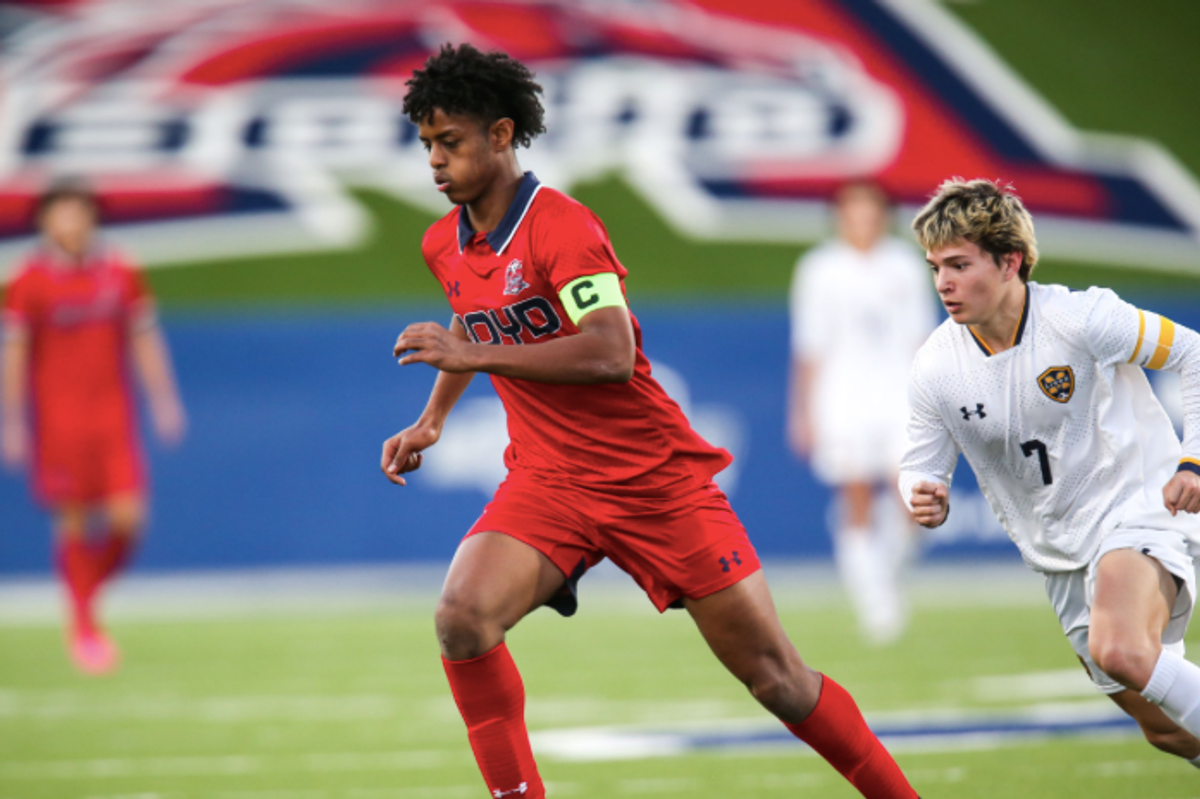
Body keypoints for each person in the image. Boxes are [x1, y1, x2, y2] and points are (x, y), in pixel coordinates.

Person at [381, 43, 918, 799]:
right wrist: (433, 416)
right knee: (462, 618)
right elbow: (471, 323)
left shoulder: (561, 227)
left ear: (501, 136)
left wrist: (470, 352)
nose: (435, 161)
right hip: (550, 482)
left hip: (653, 483)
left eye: (451, 142)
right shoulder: (446, 240)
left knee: (777, 680)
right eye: (428, 145)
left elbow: (609, 350)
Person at [900, 177, 1200, 763]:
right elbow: (920, 462)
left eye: (959, 265)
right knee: (1165, 730)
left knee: (1121, 648)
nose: (944, 283)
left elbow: (1194, 354)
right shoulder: (936, 365)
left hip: (1137, 508)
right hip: (1057, 552)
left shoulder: (1083, 318)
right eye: (936, 268)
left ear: (1010, 261)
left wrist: (1194, 459)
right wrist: (924, 492)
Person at [1, 180, 186, 674]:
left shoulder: (120, 271)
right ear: (44, 221)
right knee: (75, 522)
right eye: (61, 213)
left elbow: (145, 339)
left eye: (79, 212)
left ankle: (84, 597)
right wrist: (12, 421)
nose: (72, 223)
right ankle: (83, 627)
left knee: (130, 521)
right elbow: (14, 355)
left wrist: (164, 401)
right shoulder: (29, 280)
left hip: (113, 419)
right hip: (60, 424)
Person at [788, 181, 936, 645]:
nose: (861, 219)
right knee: (854, 499)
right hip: (842, 398)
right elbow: (809, 346)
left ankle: (886, 578)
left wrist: (933, 401)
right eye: (852, 211)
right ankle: (874, 603)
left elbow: (923, 338)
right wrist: (803, 410)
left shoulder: (906, 265)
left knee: (911, 497)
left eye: (869, 210)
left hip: (899, 395)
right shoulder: (819, 269)